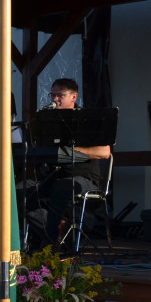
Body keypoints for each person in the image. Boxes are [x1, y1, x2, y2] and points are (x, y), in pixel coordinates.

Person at [41, 78, 111, 245]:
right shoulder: (48, 121)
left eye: (60, 95)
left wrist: (72, 152)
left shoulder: (88, 120)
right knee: (20, 192)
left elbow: (105, 152)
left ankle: (49, 245)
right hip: (55, 176)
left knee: (61, 187)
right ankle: (52, 232)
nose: (55, 99)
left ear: (74, 97)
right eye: (53, 95)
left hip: (86, 179)